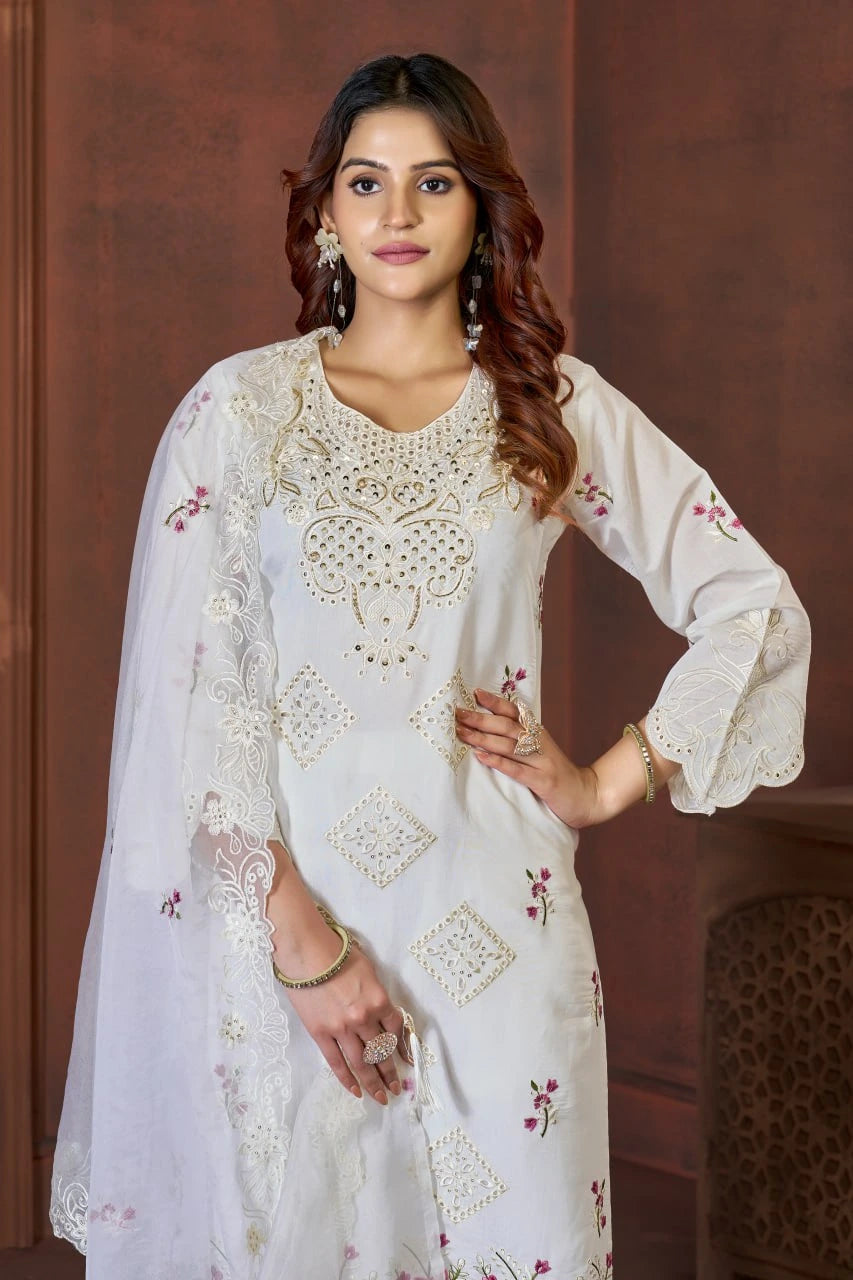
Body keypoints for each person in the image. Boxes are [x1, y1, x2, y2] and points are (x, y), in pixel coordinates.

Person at [49, 52, 811, 1280]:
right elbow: (188, 704)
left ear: (480, 208)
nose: (396, 212)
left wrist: (606, 778)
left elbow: (752, 604)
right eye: (366, 181)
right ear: (325, 212)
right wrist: (303, 943)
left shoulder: (547, 404)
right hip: (283, 932)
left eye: (434, 181)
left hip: (498, 929)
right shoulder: (240, 412)